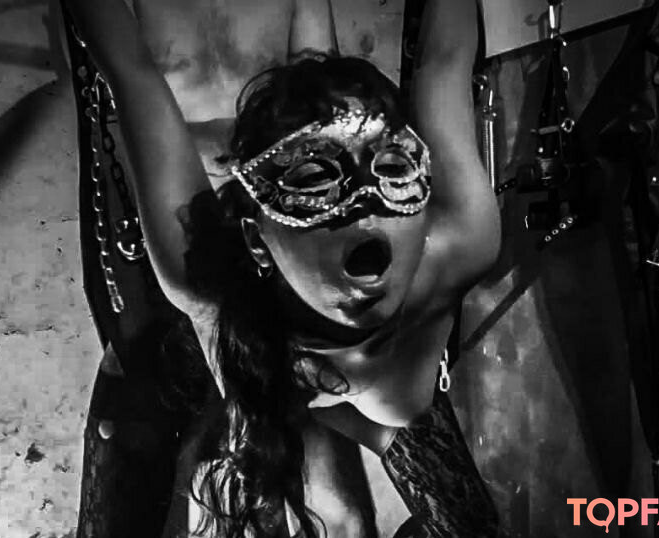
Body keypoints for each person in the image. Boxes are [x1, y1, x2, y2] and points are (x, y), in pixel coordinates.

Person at [65, 0, 502, 536]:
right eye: (317, 181)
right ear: (256, 238)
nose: (365, 204)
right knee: (303, 506)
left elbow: (446, 61)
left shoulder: (459, 244)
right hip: (273, 363)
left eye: (391, 167)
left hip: (343, 383)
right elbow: (131, 71)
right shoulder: (216, 286)